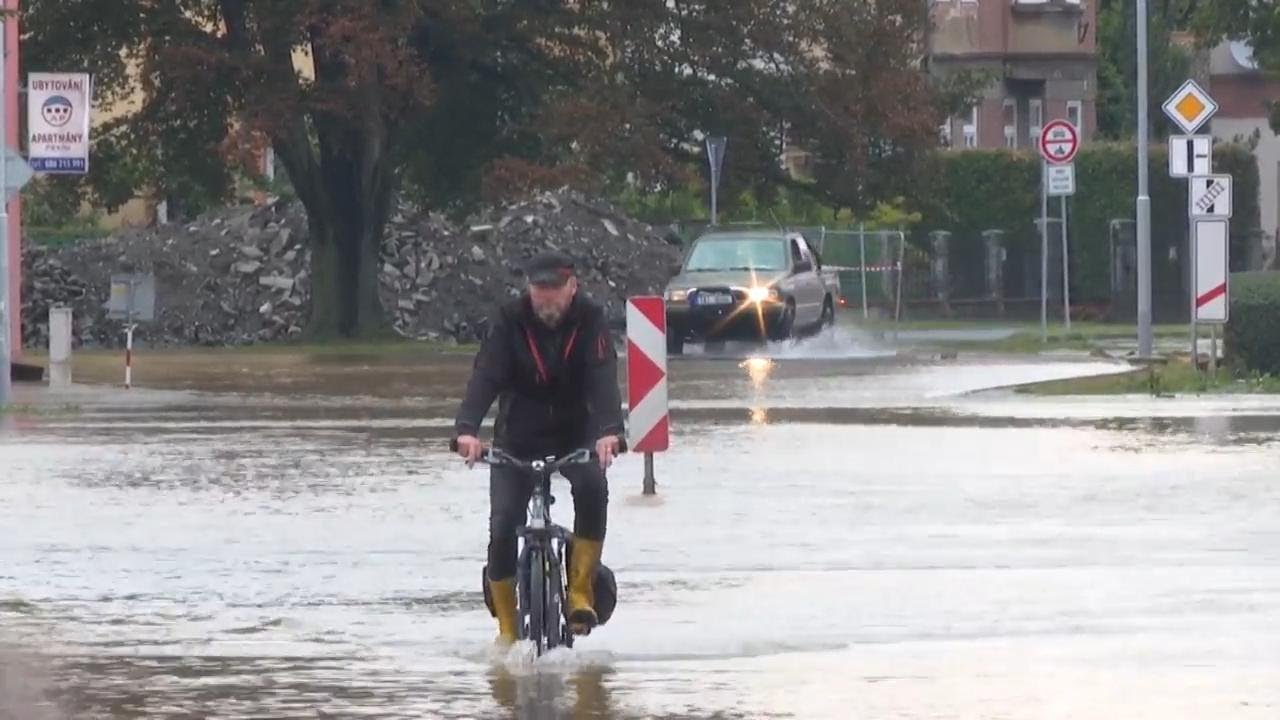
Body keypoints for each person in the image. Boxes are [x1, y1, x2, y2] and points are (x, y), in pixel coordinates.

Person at [453, 250, 624, 645]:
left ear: (572, 287)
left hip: (575, 434)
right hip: (518, 437)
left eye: (554, 290)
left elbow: (602, 378)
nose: (546, 299)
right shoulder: (508, 320)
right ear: (529, 290)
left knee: (593, 487)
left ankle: (580, 590)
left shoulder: (591, 320)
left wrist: (610, 431)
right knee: (502, 524)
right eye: (538, 290)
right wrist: (467, 430)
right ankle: (508, 629)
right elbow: (486, 376)